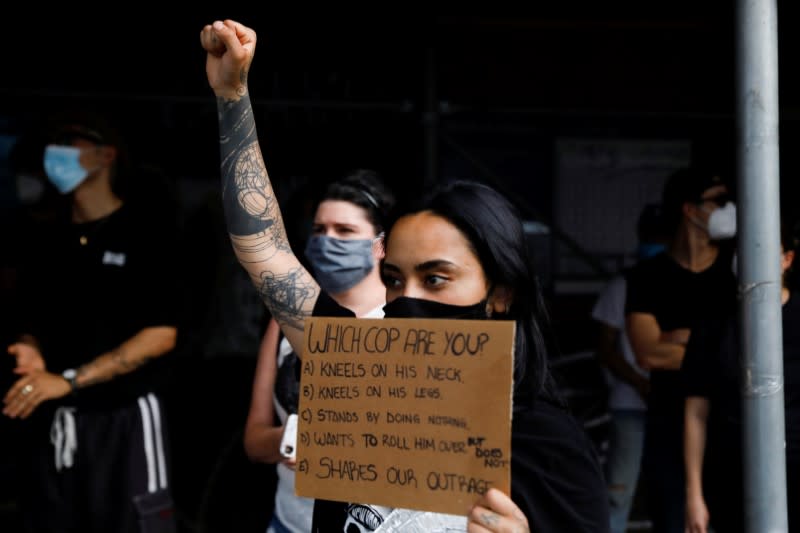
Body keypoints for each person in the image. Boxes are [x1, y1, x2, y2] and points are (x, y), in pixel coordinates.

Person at [200, 19, 609, 533]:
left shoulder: (544, 442)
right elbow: (263, 248)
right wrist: (233, 95)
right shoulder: (357, 371)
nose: (408, 299)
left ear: (500, 295)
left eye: (436, 279)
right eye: (394, 279)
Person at [1, 110, 180, 533]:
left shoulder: (145, 232)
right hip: (54, 415)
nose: (56, 152)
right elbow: (30, 317)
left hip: (125, 419)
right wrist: (30, 349)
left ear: (105, 155)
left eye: (71, 140)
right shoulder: (45, 238)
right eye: (54, 142)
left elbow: (162, 333)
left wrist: (71, 379)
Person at [243, 170, 395, 533]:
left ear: (380, 245)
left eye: (344, 231)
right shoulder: (283, 322)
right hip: (288, 521)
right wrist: (296, 438)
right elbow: (253, 441)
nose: (328, 241)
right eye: (319, 230)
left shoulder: (399, 327)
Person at [625, 166, 738, 533]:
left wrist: (679, 338)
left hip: (728, 433)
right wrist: (716, 346)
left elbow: (751, 351)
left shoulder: (738, 271)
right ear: (690, 210)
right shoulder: (647, 277)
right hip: (669, 431)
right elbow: (648, 354)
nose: (730, 207)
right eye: (719, 201)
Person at [682, 221, 800, 533]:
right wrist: (694, 494)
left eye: (762, 250)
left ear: (787, 259)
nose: (750, 259)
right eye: (743, 250)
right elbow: (696, 413)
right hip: (729, 476)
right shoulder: (715, 322)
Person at [591, 203, 668, 533]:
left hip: (676, 407)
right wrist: (640, 383)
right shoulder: (624, 285)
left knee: (672, 490)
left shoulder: (680, 283)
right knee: (619, 493)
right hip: (631, 405)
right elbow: (605, 348)